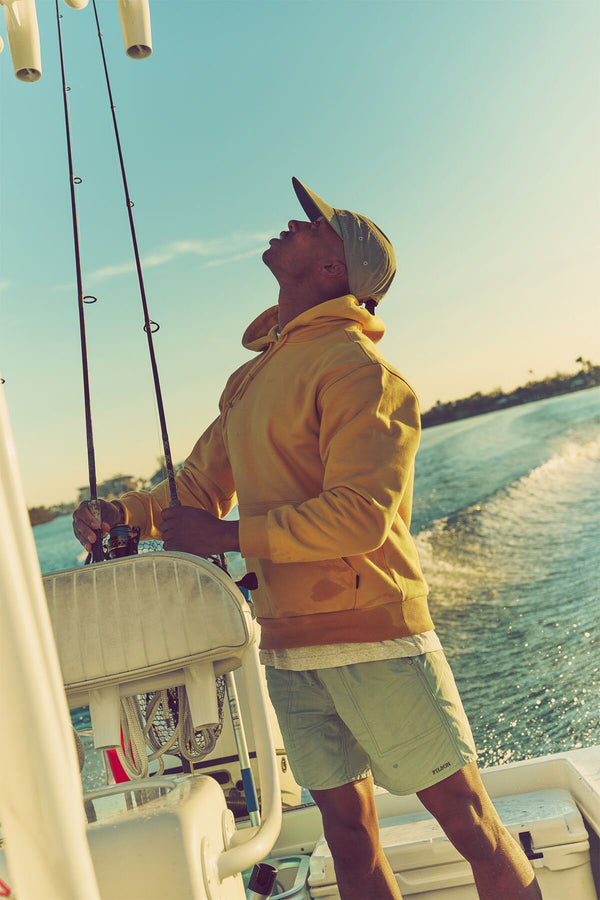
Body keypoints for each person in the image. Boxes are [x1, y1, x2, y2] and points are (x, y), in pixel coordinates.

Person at [73, 178, 541, 900]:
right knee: (347, 840)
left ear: (333, 269)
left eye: (315, 224)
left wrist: (228, 535)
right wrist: (125, 516)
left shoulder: (362, 372)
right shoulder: (252, 379)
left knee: (469, 822)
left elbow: (361, 516)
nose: (294, 223)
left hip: (378, 638)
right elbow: (192, 492)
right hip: (289, 645)